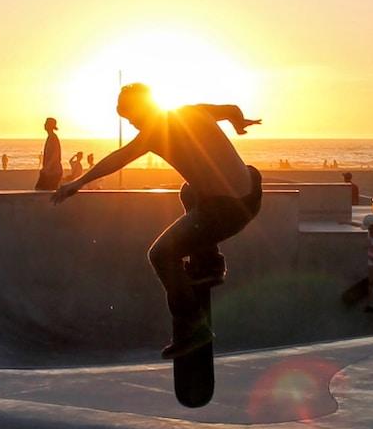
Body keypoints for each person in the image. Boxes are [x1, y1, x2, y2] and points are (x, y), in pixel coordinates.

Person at [53, 83, 262, 358]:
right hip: (252, 191)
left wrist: (78, 182)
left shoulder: (153, 132)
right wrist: (239, 123)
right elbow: (232, 110)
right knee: (188, 190)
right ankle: (210, 262)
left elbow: (118, 158)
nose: (134, 125)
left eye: (132, 118)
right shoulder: (192, 111)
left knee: (161, 255)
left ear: (143, 110)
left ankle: (193, 328)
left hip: (227, 212)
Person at [344, 213, 373, 312]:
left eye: (370, 228)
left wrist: (369, 246)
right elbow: (358, 225)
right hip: (372, 258)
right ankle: (371, 306)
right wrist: (346, 222)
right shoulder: (369, 229)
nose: (369, 230)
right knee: (371, 282)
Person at [36, 117, 64, 192]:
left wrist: (47, 167)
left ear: (50, 125)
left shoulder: (53, 137)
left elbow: (55, 154)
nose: (44, 125)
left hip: (53, 172)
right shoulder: (50, 137)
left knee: (42, 190)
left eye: (46, 123)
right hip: (50, 171)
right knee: (41, 190)